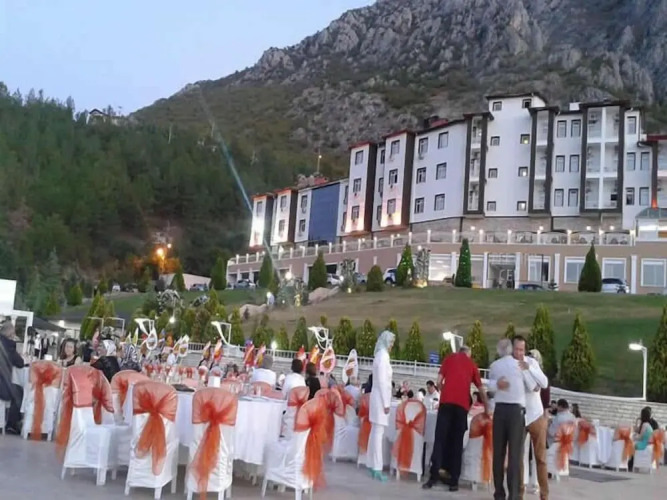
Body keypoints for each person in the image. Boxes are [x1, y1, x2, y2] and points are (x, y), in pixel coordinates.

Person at [424, 345, 488, 492]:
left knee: (440, 441)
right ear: (468, 354)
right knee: (457, 443)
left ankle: (433, 477)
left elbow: (438, 381)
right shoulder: (472, 364)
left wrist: (446, 391)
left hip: (446, 404)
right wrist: (487, 407)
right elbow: (480, 388)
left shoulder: (449, 359)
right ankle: (454, 481)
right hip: (461, 407)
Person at [489, 337, 529, 500]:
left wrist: (498, 385)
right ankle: (513, 494)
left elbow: (490, 388)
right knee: (514, 455)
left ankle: (499, 492)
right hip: (516, 411)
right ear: (512, 349)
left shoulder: (494, 366)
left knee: (498, 453)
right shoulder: (519, 366)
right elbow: (533, 386)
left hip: (500, 410)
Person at [519, 345, 549, 500]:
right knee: (519, 457)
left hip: (536, 415)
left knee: (540, 458)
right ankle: (519, 493)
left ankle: (544, 494)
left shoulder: (532, 365)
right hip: (521, 415)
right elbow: (533, 386)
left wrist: (529, 368)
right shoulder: (514, 366)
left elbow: (542, 384)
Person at [368, 330, 395, 482]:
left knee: (374, 433)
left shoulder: (379, 355)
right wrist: (386, 403)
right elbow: (383, 382)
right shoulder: (384, 356)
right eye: (391, 342)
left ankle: (372, 464)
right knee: (378, 434)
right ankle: (377, 467)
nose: (392, 345)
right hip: (380, 399)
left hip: (376, 397)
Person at [0, 320, 25, 434]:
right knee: (19, 392)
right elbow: (20, 363)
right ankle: (11, 423)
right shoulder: (9, 345)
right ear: (10, 333)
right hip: (2, 384)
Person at [629, 407, 655, 471]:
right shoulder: (648, 425)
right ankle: (633, 463)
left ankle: (630, 464)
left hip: (644, 444)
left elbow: (640, 437)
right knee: (633, 444)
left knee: (631, 445)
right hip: (647, 443)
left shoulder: (645, 424)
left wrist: (634, 437)